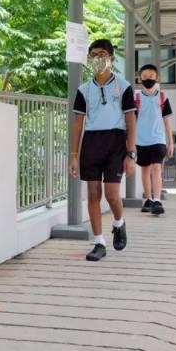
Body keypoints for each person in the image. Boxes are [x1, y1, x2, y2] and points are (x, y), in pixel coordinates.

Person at [69, 39, 137, 262]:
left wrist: (131, 153)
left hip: (116, 142)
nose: (98, 59)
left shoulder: (124, 86)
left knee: (112, 195)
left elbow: (130, 119)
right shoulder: (84, 90)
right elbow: (78, 123)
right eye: (94, 55)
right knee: (93, 193)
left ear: (112, 59)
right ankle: (99, 242)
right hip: (91, 142)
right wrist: (74, 155)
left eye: (102, 55)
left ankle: (119, 222)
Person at [134, 64, 174, 216]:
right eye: (144, 76)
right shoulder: (136, 98)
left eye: (151, 76)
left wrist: (170, 141)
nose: (148, 79)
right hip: (140, 140)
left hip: (158, 139)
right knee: (145, 169)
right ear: (140, 79)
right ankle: (148, 199)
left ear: (157, 78)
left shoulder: (162, 97)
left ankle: (157, 200)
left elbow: (167, 120)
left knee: (157, 168)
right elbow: (131, 120)